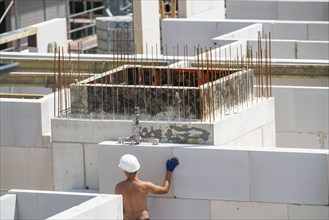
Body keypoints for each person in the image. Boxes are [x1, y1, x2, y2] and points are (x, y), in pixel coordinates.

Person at [115, 154, 179, 220]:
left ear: (125, 171)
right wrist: (169, 171)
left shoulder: (119, 187)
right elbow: (165, 190)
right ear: (137, 167)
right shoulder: (145, 186)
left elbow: (119, 208)